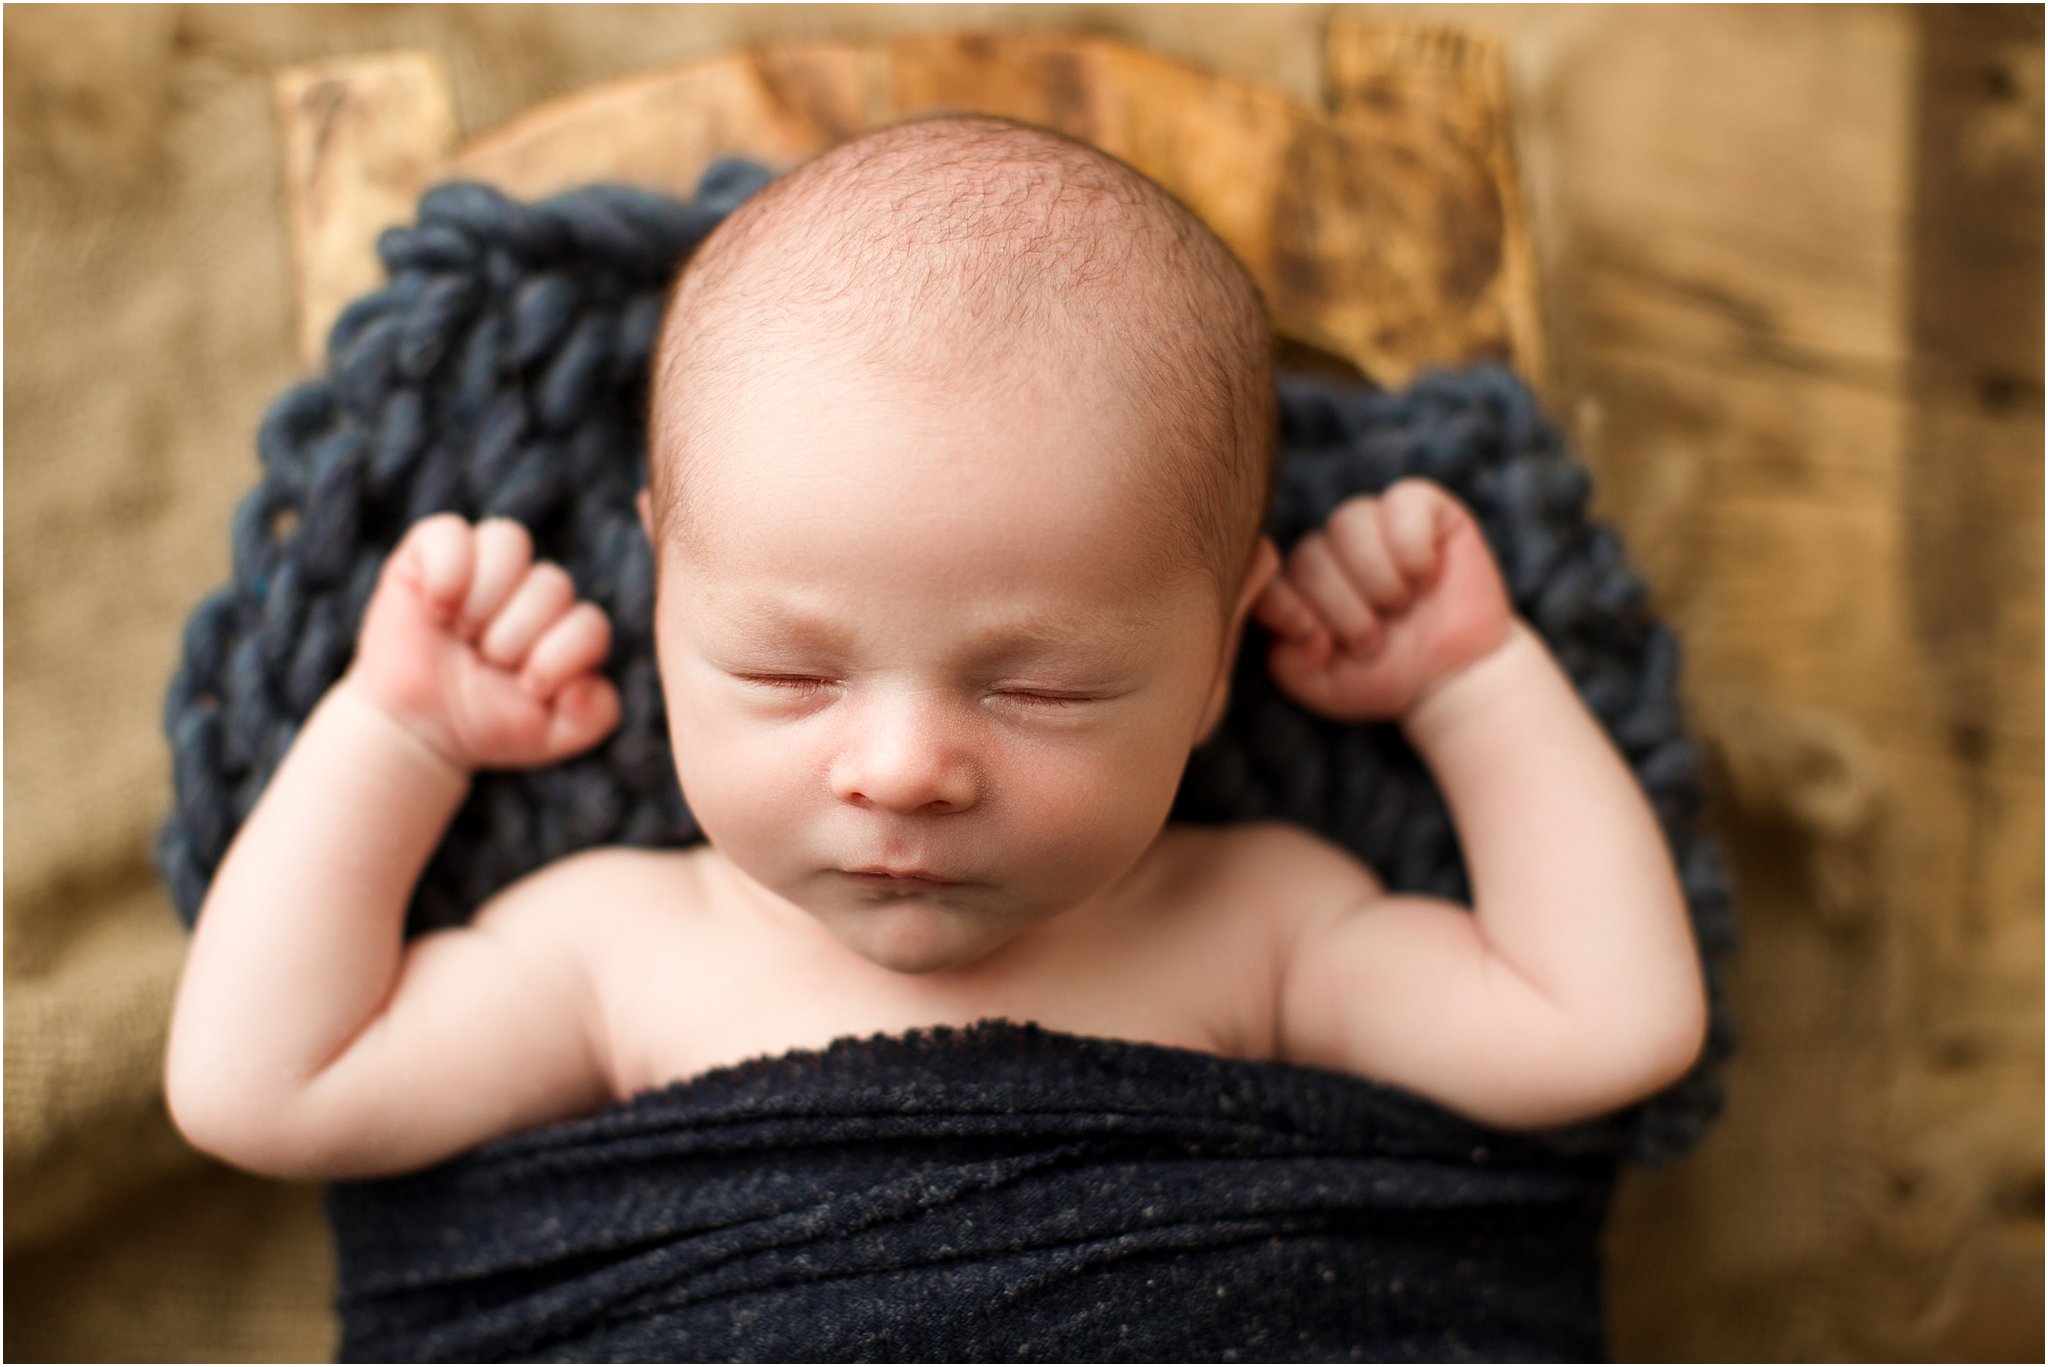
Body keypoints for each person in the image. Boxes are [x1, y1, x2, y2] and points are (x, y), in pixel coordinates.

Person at [165, 115, 1708, 1182]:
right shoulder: (612, 955)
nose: (904, 770)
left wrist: (1473, 684)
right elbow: (259, 1085)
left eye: (1039, 686)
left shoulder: (1260, 927)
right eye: (784, 673)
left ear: (1217, 660)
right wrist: (399, 734)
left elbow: (1609, 1029)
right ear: (657, 602)